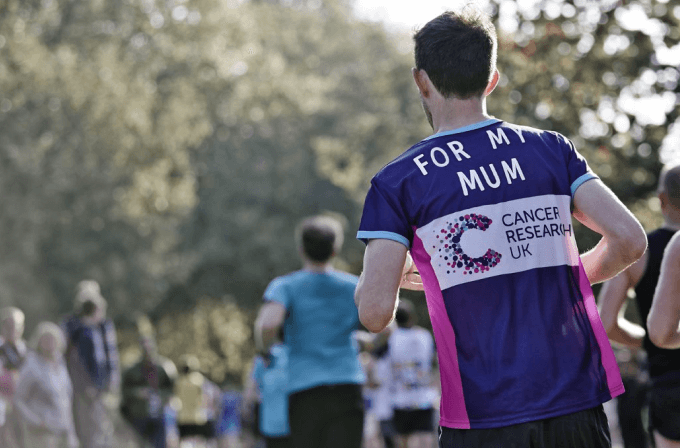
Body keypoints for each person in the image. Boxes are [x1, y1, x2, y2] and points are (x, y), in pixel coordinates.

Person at [354, 7, 647, 448]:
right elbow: (629, 240)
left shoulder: (398, 182)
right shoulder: (550, 149)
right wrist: (559, 273)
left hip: (482, 417)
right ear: (492, 79)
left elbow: (374, 314)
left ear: (421, 80)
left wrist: (384, 279)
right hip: (577, 402)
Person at [254, 215, 365, 448]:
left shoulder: (285, 286)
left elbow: (267, 325)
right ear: (335, 250)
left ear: (301, 249)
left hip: (305, 388)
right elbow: (386, 327)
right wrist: (368, 344)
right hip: (347, 384)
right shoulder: (354, 286)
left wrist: (267, 350)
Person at [599, 164, 680, 448]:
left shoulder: (639, 253)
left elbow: (606, 322)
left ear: (661, 198)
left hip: (669, 386)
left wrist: (649, 341)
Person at [63, 288, 117, 448]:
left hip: (96, 390)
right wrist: (87, 387)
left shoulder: (95, 330)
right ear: (95, 310)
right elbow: (77, 364)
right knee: (89, 432)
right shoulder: (81, 333)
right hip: (86, 392)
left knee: (99, 430)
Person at [14, 321, 79, 448]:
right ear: (38, 341)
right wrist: (37, 422)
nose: (49, 342)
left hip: (63, 429)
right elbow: (18, 399)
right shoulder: (31, 366)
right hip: (41, 434)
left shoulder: (61, 365)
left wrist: (72, 434)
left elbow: (66, 400)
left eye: (52, 339)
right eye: (45, 339)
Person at [120, 317, 178, 448]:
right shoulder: (132, 370)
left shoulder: (165, 368)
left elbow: (173, 390)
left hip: (160, 413)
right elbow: (124, 392)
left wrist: (161, 396)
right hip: (139, 414)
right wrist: (138, 393)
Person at [386, 300, 436, 448]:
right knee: (425, 436)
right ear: (412, 317)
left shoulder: (391, 339)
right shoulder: (424, 335)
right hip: (423, 395)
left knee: (402, 439)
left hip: (401, 397)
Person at [250, 343, 292, 448]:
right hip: (278, 426)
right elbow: (251, 392)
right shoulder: (291, 352)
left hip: (274, 426)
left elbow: (251, 392)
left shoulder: (263, 357)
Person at [175, 354, 220, 447]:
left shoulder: (179, 382)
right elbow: (211, 393)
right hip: (198, 417)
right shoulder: (199, 380)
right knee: (200, 443)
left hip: (183, 417)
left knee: (184, 442)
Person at [0, 307, 27, 448]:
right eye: (9, 325)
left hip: (22, 405)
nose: (13, 330)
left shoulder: (24, 349)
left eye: (16, 326)